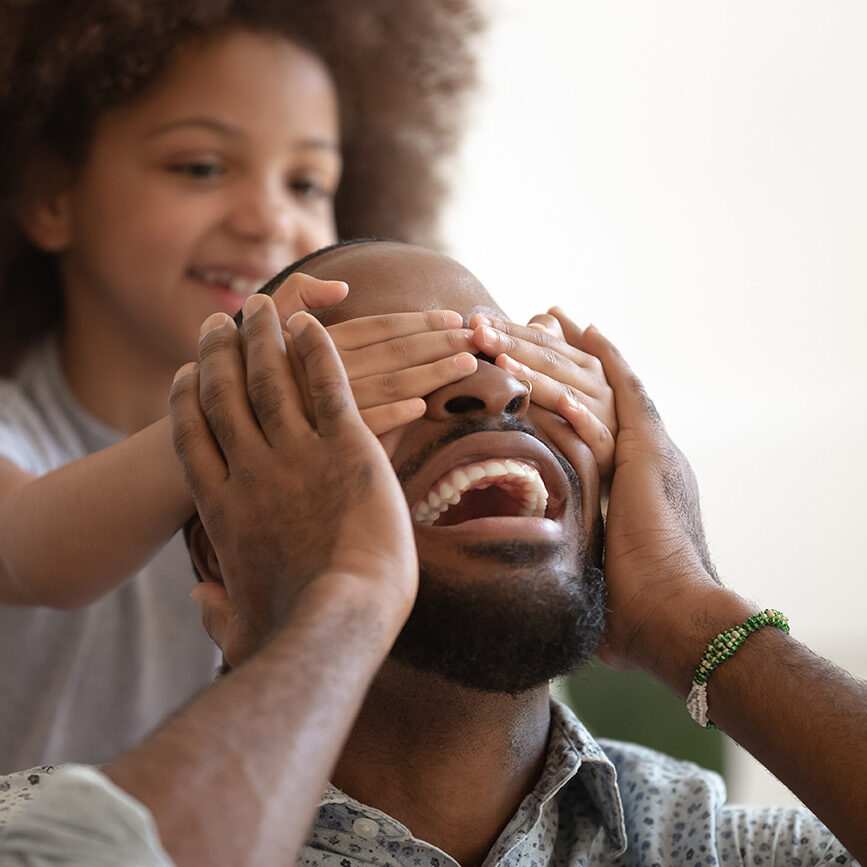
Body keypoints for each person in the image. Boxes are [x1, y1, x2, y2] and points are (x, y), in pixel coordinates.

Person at [2, 240, 862, 865]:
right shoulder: (39, 824)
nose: (493, 387)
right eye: (376, 381)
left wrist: (688, 607)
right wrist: (340, 602)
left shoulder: (704, 847)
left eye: (511, 360)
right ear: (222, 556)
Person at [0, 1, 486, 772]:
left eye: (306, 181)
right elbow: (28, 549)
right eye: (200, 167)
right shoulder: (15, 434)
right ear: (51, 197)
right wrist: (234, 407)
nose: (270, 219)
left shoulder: (344, 452)